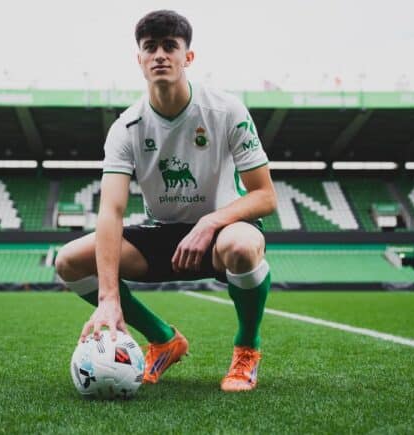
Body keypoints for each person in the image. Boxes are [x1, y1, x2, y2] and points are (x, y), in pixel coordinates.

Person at [55, 9, 276, 392]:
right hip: (162, 237)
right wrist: (108, 298)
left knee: (242, 246)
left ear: (187, 58)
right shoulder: (126, 128)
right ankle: (164, 339)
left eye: (170, 46)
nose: (160, 54)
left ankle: (246, 350)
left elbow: (265, 195)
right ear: (139, 59)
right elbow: (111, 211)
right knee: (70, 261)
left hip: (222, 235)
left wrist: (209, 223)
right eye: (150, 47)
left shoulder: (226, 111)